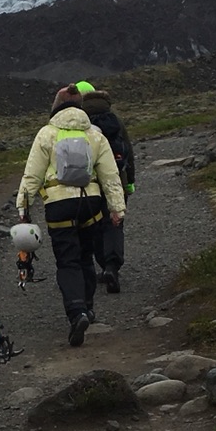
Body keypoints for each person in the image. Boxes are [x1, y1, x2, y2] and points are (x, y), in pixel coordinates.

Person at [16, 92, 126, 347]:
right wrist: (117, 209)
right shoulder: (94, 134)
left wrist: (23, 208)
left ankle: (76, 312)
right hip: (91, 203)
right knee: (86, 255)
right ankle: (88, 307)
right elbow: (110, 175)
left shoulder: (46, 133)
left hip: (58, 205)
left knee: (68, 261)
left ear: (55, 108)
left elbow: (31, 175)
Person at [70, 81, 134, 292]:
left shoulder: (77, 122)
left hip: (88, 185)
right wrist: (130, 182)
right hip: (116, 180)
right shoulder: (114, 120)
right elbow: (129, 152)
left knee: (94, 226)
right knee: (114, 223)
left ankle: (100, 265)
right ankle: (112, 266)